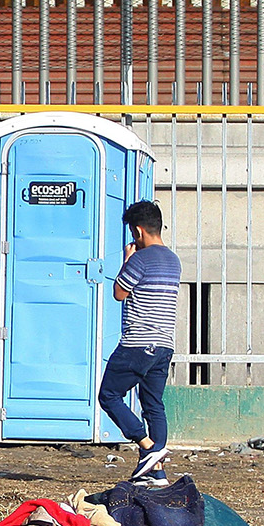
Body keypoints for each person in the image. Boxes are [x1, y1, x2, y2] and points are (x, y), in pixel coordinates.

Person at [97, 200, 181, 485]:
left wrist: (127, 260)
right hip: (164, 345)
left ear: (138, 231)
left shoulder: (140, 260)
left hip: (138, 343)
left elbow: (119, 292)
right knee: (153, 405)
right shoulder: (173, 260)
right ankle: (156, 473)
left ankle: (147, 447)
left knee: (108, 395)